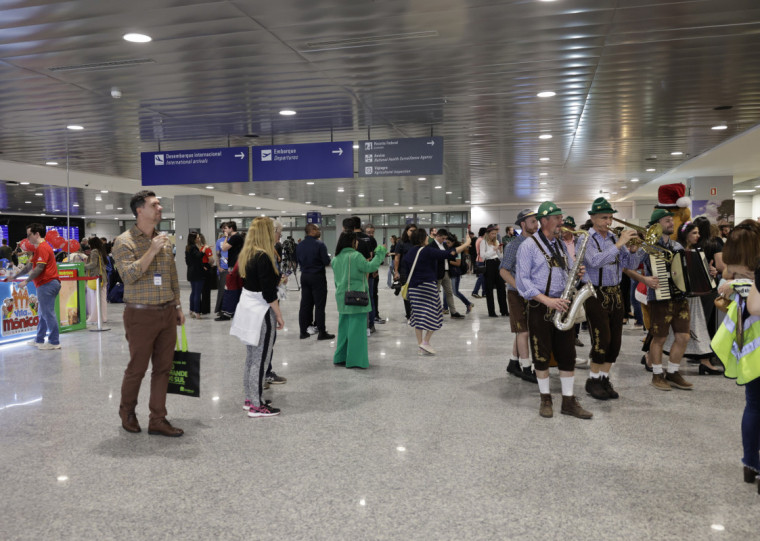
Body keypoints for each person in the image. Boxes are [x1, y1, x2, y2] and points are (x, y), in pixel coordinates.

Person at [112, 190, 184, 437]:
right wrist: (151, 250)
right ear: (139, 210)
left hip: (166, 312)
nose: (160, 208)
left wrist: (177, 306)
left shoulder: (163, 239)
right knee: (137, 368)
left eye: (160, 204)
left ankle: (158, 419)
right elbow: (128, 275)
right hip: (140, 315)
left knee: (163, 368)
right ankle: (127, 412)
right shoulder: (124, 242)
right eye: (155, 205)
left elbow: (171, 275)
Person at [516, 201, 592, 419]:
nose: (562, 222)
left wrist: (576, 274)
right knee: (541, 354)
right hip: (540, 306)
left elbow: (567, 270)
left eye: (561, 218)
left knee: (567, 354)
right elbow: (523, 282)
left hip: (563, 304)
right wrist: (548, 301)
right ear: (545, 220)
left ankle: (568, 401)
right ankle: (545, 398)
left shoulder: (559, 244)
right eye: (558, 218)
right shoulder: (528, 246)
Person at [578, 198, 643, 401]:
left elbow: (629, 264)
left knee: (615, 342)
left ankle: (604, 378)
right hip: (596, 293)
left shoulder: (614, 238)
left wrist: (634, 250)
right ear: (593, 218)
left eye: (610, 217)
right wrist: (620, 244)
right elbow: (594, 262)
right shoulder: (586, 239)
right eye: (604, 217)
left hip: (615, 293)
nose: (608, 221)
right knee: (601, 340)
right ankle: (593, 380)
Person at [233, 218, 285, 417]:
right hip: (261, 312)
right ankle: (256, 405)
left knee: (252, 357)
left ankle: (251, 398)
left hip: (247, 309)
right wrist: (279, 315)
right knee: (260, 359)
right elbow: (268, 293)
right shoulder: (263, 256)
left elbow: (257, 281)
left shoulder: (248, 253)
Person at [642, 209, 693, 391]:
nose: (671, 223)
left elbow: (685, 272)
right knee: (660, 338)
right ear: (656, 225)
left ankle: (673, 371)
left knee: (684, 336)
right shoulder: (648, 246)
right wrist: (645, 279)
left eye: (672, 220)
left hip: (679, 298)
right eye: (667, 220)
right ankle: (657, 374)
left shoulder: (678, 247)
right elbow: (629, 267)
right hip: (659, 298)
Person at [403, 228, 470, 356]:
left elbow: (406, 271)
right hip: (427, 286)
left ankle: (420, 346)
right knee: (436, 314)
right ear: (423, 238)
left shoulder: (410, 252)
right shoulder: (427, 251)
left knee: (417, 316)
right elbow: (449, 254)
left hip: (413, 288)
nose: (428, 238)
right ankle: (426, 342)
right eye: (427, 236)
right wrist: (466, 244)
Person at [331, 232, 387, 368]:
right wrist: (380, 253)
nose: (357, 243)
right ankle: (355, 360)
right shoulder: (355, 256)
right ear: (351, 242)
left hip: (342, 297)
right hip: (356, 299)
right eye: (356, 241)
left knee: (344, 330)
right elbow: (370, 267)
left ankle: (340, 357)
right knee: (357, 331)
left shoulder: (336, 258)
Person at [501, 208, 539, 383]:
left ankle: (513, 362)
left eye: (536, 221)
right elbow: (503, 270)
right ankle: (526, 367)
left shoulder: (537, 243)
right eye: (532, 222)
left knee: (523, 330)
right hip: (516, 293)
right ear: (523, 224)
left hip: (532, 293)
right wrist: (520, 287)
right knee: (523, 331)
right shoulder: (514, 245)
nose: (536, 224)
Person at [15, 224, 61, 350]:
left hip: (47, 284)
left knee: (48, 314)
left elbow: (39, 268)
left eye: (29, 234)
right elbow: (30, 267)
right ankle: (39, 339)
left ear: (37, 234)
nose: (27, 238)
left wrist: (27, 281)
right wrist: (15, 275)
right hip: (46, 284)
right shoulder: (38, 249)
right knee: (43, 313)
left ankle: (54, 342)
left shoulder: (43, 247)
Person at [296, 223, 334, 341]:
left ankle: (303, 331)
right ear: (311, 231)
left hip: (305, 276)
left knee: (305, 304)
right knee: (319, 305)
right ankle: (321, 332)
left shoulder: (300, 245)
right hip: (317, 277)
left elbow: (297, 260)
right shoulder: (320, 244)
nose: (319, 231)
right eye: (317, 229)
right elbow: (326, 261)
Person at [433, 228, 465, 319]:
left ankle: (453, 312)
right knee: (435, 294)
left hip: (446, 272)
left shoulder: (445, 245)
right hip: (438, 273)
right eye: (443, 238)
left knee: (449, 292)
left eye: (445, 239)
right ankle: (435, 313)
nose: (444, 240)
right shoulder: (432, 246)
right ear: (438, 236)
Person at [481, 224, 508, 317]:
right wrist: (494, 249)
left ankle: (504, 310)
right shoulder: (483, 242)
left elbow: (501, 257)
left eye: (495, 233)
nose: (494, 235)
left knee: (501, 288)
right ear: (488, 234)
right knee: (489, 289)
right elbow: (483, 256)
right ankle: (491, 312)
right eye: (492, 233)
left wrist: (500, 250)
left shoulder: (496, 241)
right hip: (489, 265)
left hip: (497, 264)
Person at [394, 223, 417, 320]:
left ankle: (416, 313)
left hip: (417, 271)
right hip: (404, 272)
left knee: (416, 293)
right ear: (406, 231)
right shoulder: (401, 242)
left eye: (414, 231)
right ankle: (409, 314)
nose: (413, 232)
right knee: (406, 294)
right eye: (411, 230)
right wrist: (396, 271)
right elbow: (397, 258)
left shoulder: (418, 242)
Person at [85, 236, 109, 324]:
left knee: (94, 299)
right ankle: (103, 317)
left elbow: (93, 264)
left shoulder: (94, 251)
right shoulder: (101, 251)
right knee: (102, 298)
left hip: (96, 277)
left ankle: (94, 318)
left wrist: (83, 266)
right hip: (103, 277)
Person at [185, 231, 206, 319]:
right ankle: (197, 312)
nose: (199, 239)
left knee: (193, 292)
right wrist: (204, 249)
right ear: (193, 239)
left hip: (191, 272)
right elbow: (198, 256)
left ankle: (191, 310)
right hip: (197, 273)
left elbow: (191, 261)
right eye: (197, 238)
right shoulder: (193, 247)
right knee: (197, 293)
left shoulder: (188, 247)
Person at [214, 222, 231, 316]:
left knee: (231, 290)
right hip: (223, 269)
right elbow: (217, 255)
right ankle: (220, 309)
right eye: (223, 229)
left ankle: (230, 309)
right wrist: (219, 267)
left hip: (232, 269)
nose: (224, 230)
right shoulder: (219, 241)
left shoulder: (233, 240)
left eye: (225, 228)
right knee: (222, 290)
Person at [198, 233, 215, 315]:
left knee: (198, 290)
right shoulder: (206, 248)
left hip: (199, 268)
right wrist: (211, 264)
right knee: (205, 290)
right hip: (205, 267)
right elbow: (211, 259)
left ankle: (199, 308)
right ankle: (205, 309)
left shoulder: (195, 249)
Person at [471, 227, 487, 297]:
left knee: (483, 277)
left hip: (479, 259)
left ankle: (484, 292)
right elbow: (482, 251)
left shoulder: (479, 239)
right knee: (481, 277)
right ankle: (475, 292)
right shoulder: (481, 240)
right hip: (481, 260)